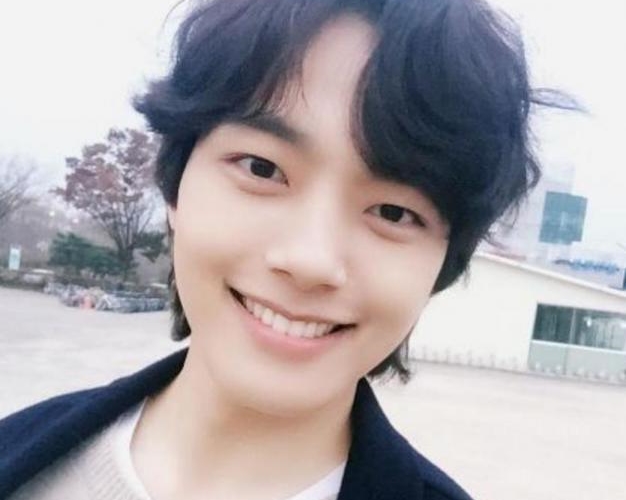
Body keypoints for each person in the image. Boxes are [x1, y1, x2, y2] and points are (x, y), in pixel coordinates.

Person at [0, 0, 564, 498]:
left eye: (393, 212)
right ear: (176, 186)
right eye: (262, 168)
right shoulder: (20, 454)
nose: (310, 259)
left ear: (443, 262)